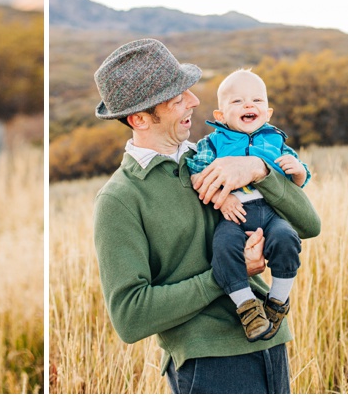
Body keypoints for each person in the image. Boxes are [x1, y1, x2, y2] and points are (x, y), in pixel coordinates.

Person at [91, 38, 320, 394]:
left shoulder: (214, 158)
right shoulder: (119, 199)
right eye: (177, 98)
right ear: (139, 118)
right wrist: (226, 275)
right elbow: (130, 317)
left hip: (271, 344)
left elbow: (310, 226)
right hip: (209, 364)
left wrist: (260, 169)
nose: (195, 101)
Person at [186, 69, 309, 342]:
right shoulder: (213, 144)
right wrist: (222, 196)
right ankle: (247, 306)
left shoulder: (276, 141)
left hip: (270, 213)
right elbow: (196, 174)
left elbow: (297, 183)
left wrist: (299, 172)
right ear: (220, 116)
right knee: (223, 247)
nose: (249, 105)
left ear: (268, 112)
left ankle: (277, 302)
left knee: (286, 237)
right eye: (237, 101)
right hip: (234, 215)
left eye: (256, 100)